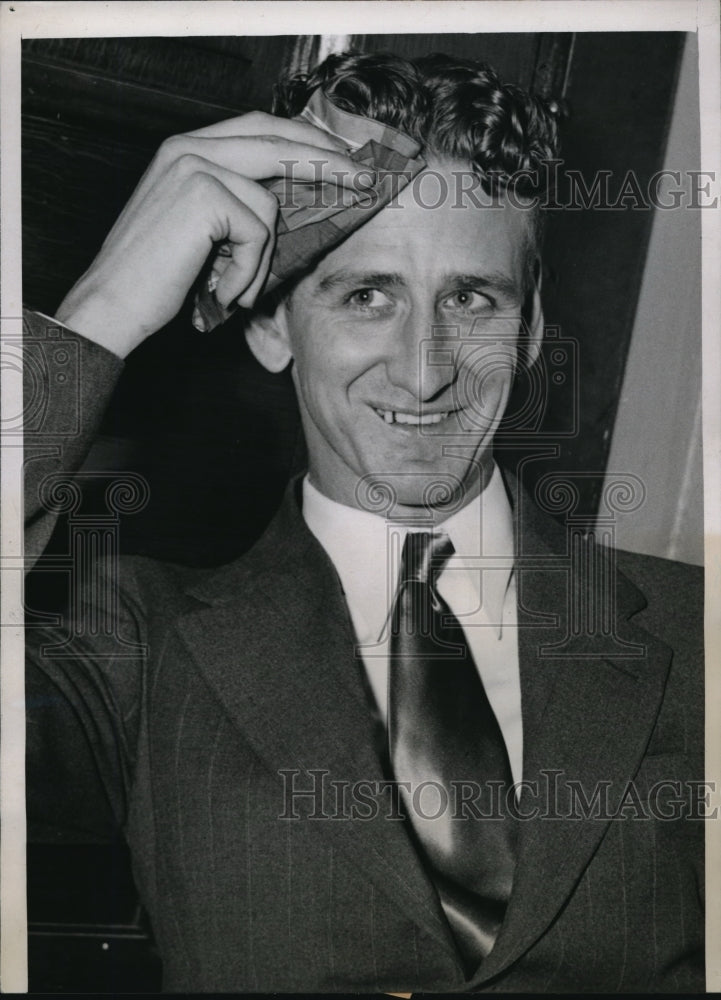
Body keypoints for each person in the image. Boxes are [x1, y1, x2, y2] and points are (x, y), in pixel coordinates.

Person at [24, 51, 704, 992]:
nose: (424, 372)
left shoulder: (696, 634)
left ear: (533, 325)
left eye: (470, 299)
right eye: (365, 295)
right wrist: (98, 315)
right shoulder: (130, 643)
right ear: (270, 326)